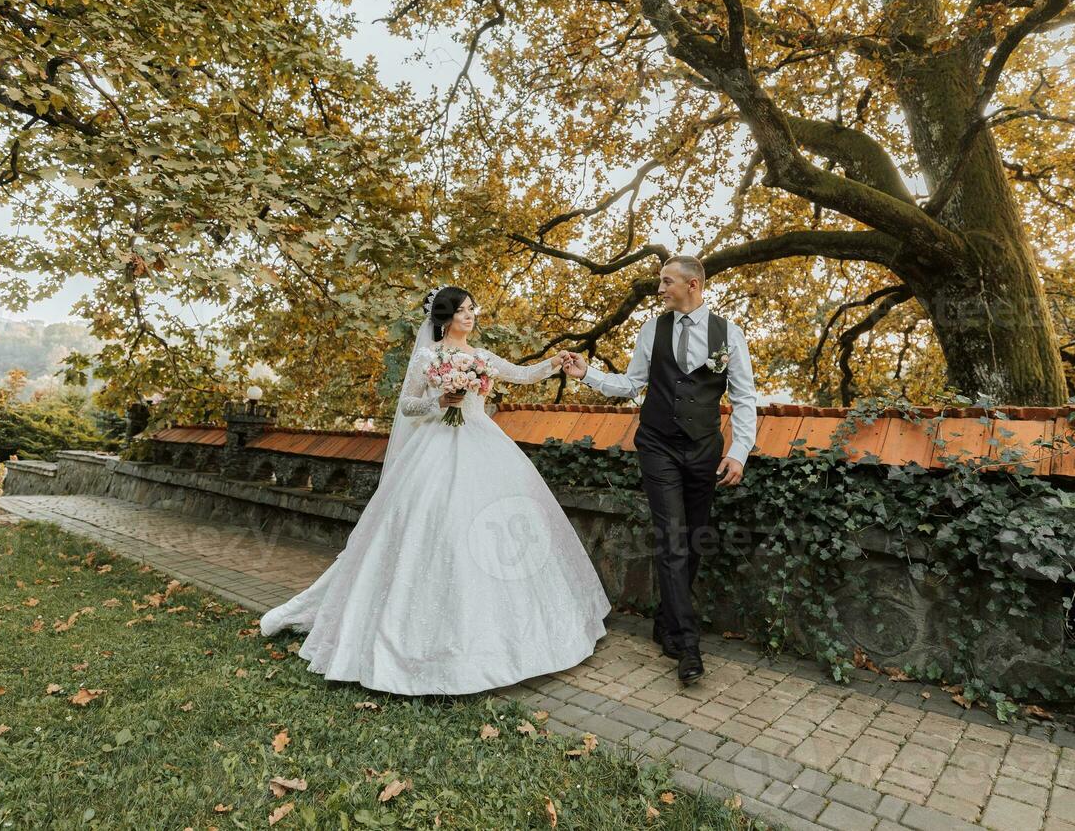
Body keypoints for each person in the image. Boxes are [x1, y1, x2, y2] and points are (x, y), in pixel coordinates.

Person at [260, 286, 611, 696]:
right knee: (430, 526)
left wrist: (556, 362)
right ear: (445, 317)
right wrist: (439, 401)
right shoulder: (428, 357)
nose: (470, 316)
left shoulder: (480, 357)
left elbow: (520, 374)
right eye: (463, 310)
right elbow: (408, 405)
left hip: (483, 445)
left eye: (472, 309)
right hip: (434, 450)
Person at [560, 256, 756, 685]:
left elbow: (743, 398)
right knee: (672, 540)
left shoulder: (729, 333)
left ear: (693, 284)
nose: (660, 288)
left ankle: (666, 620)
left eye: (667, 281)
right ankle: (687, 646)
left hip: (705, 449)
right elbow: (633, 384)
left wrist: (739, 451)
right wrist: (587, 373)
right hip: (658, 445)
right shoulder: (653, 328)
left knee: (695, 538)